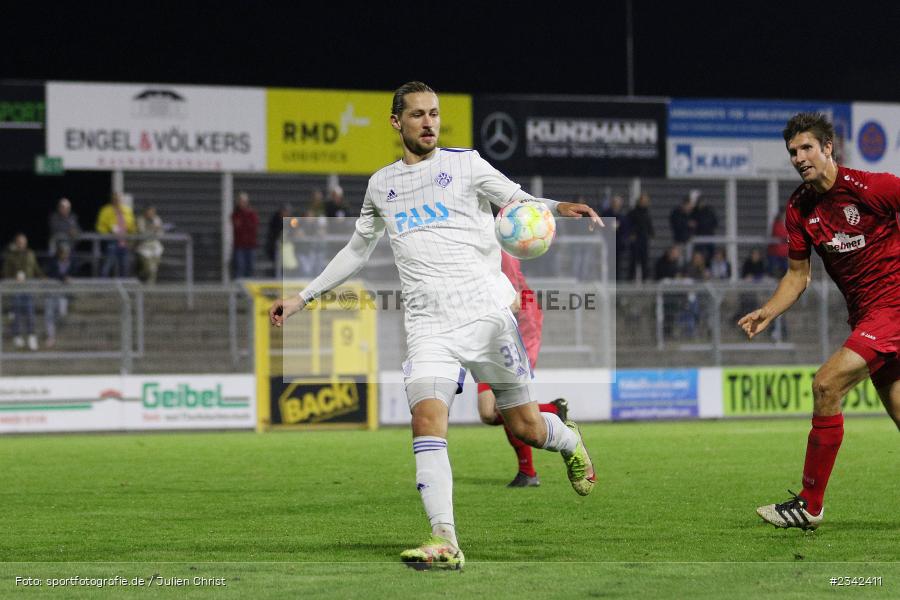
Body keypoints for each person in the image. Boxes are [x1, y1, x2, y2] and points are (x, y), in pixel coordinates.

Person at [268, 81, 601, 570]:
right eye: (419, 114)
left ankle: (568, 440)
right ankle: (444, 538)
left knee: (525, 427)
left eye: (435, 114)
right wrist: (302, 297)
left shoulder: (465, 164)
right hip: (428, 328)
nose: (429, 122)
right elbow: (357, 250)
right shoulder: (381, 185)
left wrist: (556, 208)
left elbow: (516, 198)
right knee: (426, 421)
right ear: (396, 122)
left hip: (488, 316)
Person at [740, 112, 900, 530]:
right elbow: (797, 277)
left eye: (807, 148)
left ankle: (809, 505)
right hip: (869, 316)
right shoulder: (799, 209)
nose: (799, 157)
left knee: (825, 383)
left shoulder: (872, 187)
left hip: (894, 308)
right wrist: (767, 311)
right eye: (793, 151)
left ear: (828, 148)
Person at [477, 250, 569, 487]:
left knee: (502, 403)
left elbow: (513, 298)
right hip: (489, 325)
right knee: (488, 413)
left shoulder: (496, 239)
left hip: (516, 320)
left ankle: (527, 472)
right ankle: (552, 410)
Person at [3, 233, 44, 351]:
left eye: (23, 242)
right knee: (16, 312)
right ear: (16, 243)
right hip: (16, 288)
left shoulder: (30, 253)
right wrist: (14, 277)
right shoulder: (11, 256)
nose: (21, 244)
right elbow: (5, 272)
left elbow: (36, 268)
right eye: (19, 242)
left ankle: (31, 336)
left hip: (28, 288)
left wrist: (42, 276)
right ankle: (17, 336)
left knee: (30, 312)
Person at [44, 243, 78, 348]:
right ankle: (51, 337)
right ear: (59, 253)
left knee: (61, 312)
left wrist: (68, 278)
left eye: (67, 253)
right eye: (63, 253)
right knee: (49, 315)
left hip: (64, 293)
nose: (65, 255)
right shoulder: (53, 262)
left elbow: (75, 273)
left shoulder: (72, 262)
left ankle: (55, 331)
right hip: (52, 291)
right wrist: (63, 278)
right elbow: (51, 273)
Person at [95, 192, 135, 277]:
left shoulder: (127, 210)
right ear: (112, 200)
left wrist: (131, 238)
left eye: (118, 199)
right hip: (112, 241)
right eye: (115, 199)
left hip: (124, 241)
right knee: (108, 264)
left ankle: (124, 284)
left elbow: (132, 226)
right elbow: (100, 226)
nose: (117, 200)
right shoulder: (106, 210)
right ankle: (102, 283)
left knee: (124, 265)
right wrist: (109, 234)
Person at [625, 193, 654, 281]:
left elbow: (649, 225)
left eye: (646, 201)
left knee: (644, 261)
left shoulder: (647, 212)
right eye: (643, 201)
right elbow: (627, 225)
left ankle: (645, 279)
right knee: (633, 261)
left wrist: (652, 234)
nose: (645, 203)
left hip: (644, 239)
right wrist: (631, 234)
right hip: (635, 240)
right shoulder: (632, 212)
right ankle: (630, 280)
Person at [231, 192, 259, 279]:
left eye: (244, 201)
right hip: (239, 246)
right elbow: (237, 227)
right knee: (240, 267)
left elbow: (253, 226)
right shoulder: (235, 214)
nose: (242, 203)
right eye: (240, 201)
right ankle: (238, 291)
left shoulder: (251, 214)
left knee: (250, 268)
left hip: (250, 245)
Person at [136, 206, 164, 284]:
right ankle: (143, 276)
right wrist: (151, 229)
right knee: (149, 268)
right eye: (149, 212)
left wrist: (157, 229)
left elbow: (160, 234)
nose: (151, 214)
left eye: (153, 212)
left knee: (154, 268)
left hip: (155, 245)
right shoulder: (140, 220)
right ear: (146, 212)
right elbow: (142, 233)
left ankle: (151, 285)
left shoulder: (157, 219)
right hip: (144, 246)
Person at [266, 204, 292, 277]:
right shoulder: (275, 220)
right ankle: (277, 277)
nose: (287, 214)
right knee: (278, 263)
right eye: (286, 212)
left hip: (287, 247)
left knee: (287, 263)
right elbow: (273, 234)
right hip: (277, 245)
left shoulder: (290, 221)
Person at [767, 209, 789, 277]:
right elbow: (779, 234)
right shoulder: (776, 224)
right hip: (775, 253)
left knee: (786, 270)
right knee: (774, 271)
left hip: (785, 254)